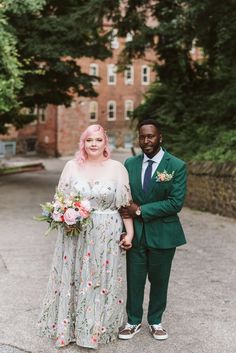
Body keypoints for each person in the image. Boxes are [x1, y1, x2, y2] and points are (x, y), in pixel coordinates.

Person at [37, 124, 133, 349]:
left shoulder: (117, 168)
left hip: (107, 232)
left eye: (98, 140)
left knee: (101, 278)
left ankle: (96, 329)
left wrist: (129, 233)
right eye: (89, 140)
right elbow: (60, 201)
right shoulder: (71, 167)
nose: (94, 144)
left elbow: (124, 205)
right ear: (83, 142)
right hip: (76, 232)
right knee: (76, 276)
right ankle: (70, 328)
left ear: (105, 143)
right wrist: (64, 215)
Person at [118, 119, 187, 341]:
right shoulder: (129, 164)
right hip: (136, 234)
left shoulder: (176, 165)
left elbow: (175, 203)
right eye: (142, 136)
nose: (146, 140)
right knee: (134, 279)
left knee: (159, 280)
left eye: (151, 136)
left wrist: (139, 211)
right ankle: (133, 321)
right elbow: (124, 199)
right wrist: (125, 229)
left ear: (160, 137)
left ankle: (156, 321)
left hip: (164, 235)